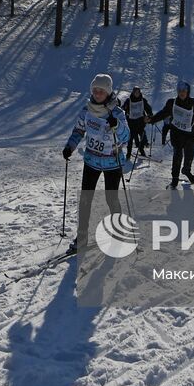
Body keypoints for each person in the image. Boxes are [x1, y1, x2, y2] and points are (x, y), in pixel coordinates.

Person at [62, 73, 130, 256]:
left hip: (112, 163)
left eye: (102, 91)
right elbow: (78, 130)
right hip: (91, 161)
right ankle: (82, 237)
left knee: (111, 199)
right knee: (85, 200)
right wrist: (70, 146)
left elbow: (126, 137)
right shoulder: (87, 110)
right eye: (95, 90)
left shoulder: (117, 113)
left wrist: (118, 126)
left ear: (108, 92)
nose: (98, 93)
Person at [148, 81, 194, 188]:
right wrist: (151, 119)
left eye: (184, 91)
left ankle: (186, 171)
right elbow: (163, 113)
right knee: (177, 156)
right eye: (180, 91)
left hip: (190, 136)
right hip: (176, 134)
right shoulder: (171, 103)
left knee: (189, 156)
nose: (182, 93)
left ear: (188, 92)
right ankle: (174, 179)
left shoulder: (193, 103)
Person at [124, 87, 152, 159]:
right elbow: (123, 108)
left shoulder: (143, 100)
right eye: (135, 92)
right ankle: (128, 153)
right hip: (131, 123)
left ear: (140, 93)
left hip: (141, 123)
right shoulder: (128, 100)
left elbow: (149, 109)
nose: (137, 94)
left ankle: (141, 149)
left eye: (138, 92)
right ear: (133, 93)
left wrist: (149, 116)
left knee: (143, 137)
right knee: (130, 139)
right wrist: (124, 112)